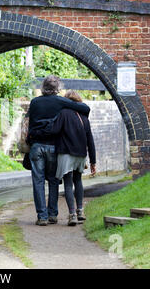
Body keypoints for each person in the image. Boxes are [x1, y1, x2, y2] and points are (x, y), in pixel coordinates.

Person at [26, 76, 90, 226]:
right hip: (54, 146)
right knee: (54, 180)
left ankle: (42, 217)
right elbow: (86, 108)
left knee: (38, 181)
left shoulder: (34, 102)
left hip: (36, 145)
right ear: (57, 88)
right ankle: (52, 214)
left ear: (43, 87)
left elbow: (29, 122)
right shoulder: (61, 101)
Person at [49, 90, 96, 226]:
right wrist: (93, 161)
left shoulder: (63, 114)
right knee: (78, 181)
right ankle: (80, 210)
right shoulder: (84, 118)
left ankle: (72, 214)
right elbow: (90, 141)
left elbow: (54, 131)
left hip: (66, 153)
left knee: (68, 184)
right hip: (81, 155)